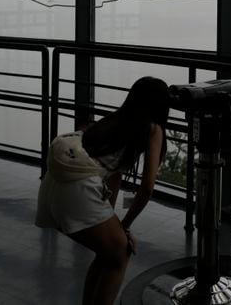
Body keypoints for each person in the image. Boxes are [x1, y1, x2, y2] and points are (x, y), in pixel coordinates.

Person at [35, 76, 169, 305]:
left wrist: (113, 222)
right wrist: (124, 227)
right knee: (121, 252)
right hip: (79, 190)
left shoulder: (113, 121)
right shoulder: (152, 129)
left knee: (107, 252)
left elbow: (113, 175)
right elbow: (146, 188)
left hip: (53, 185)